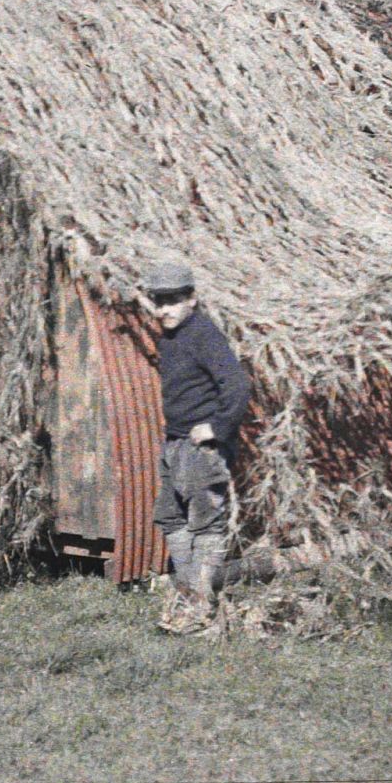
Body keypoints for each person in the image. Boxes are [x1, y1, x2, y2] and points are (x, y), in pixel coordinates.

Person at [142, 258, 250, 632]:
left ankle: (200, 610)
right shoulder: (171, 338)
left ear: (192, 298)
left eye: (172, 300)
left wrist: (217, 428)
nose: (164, 309)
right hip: (175, 443)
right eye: (158, 301)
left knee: (206, 525)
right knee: (170, 518)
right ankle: (187, 599)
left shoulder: (204, 333)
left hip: (200, 449)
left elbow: (236, 385)